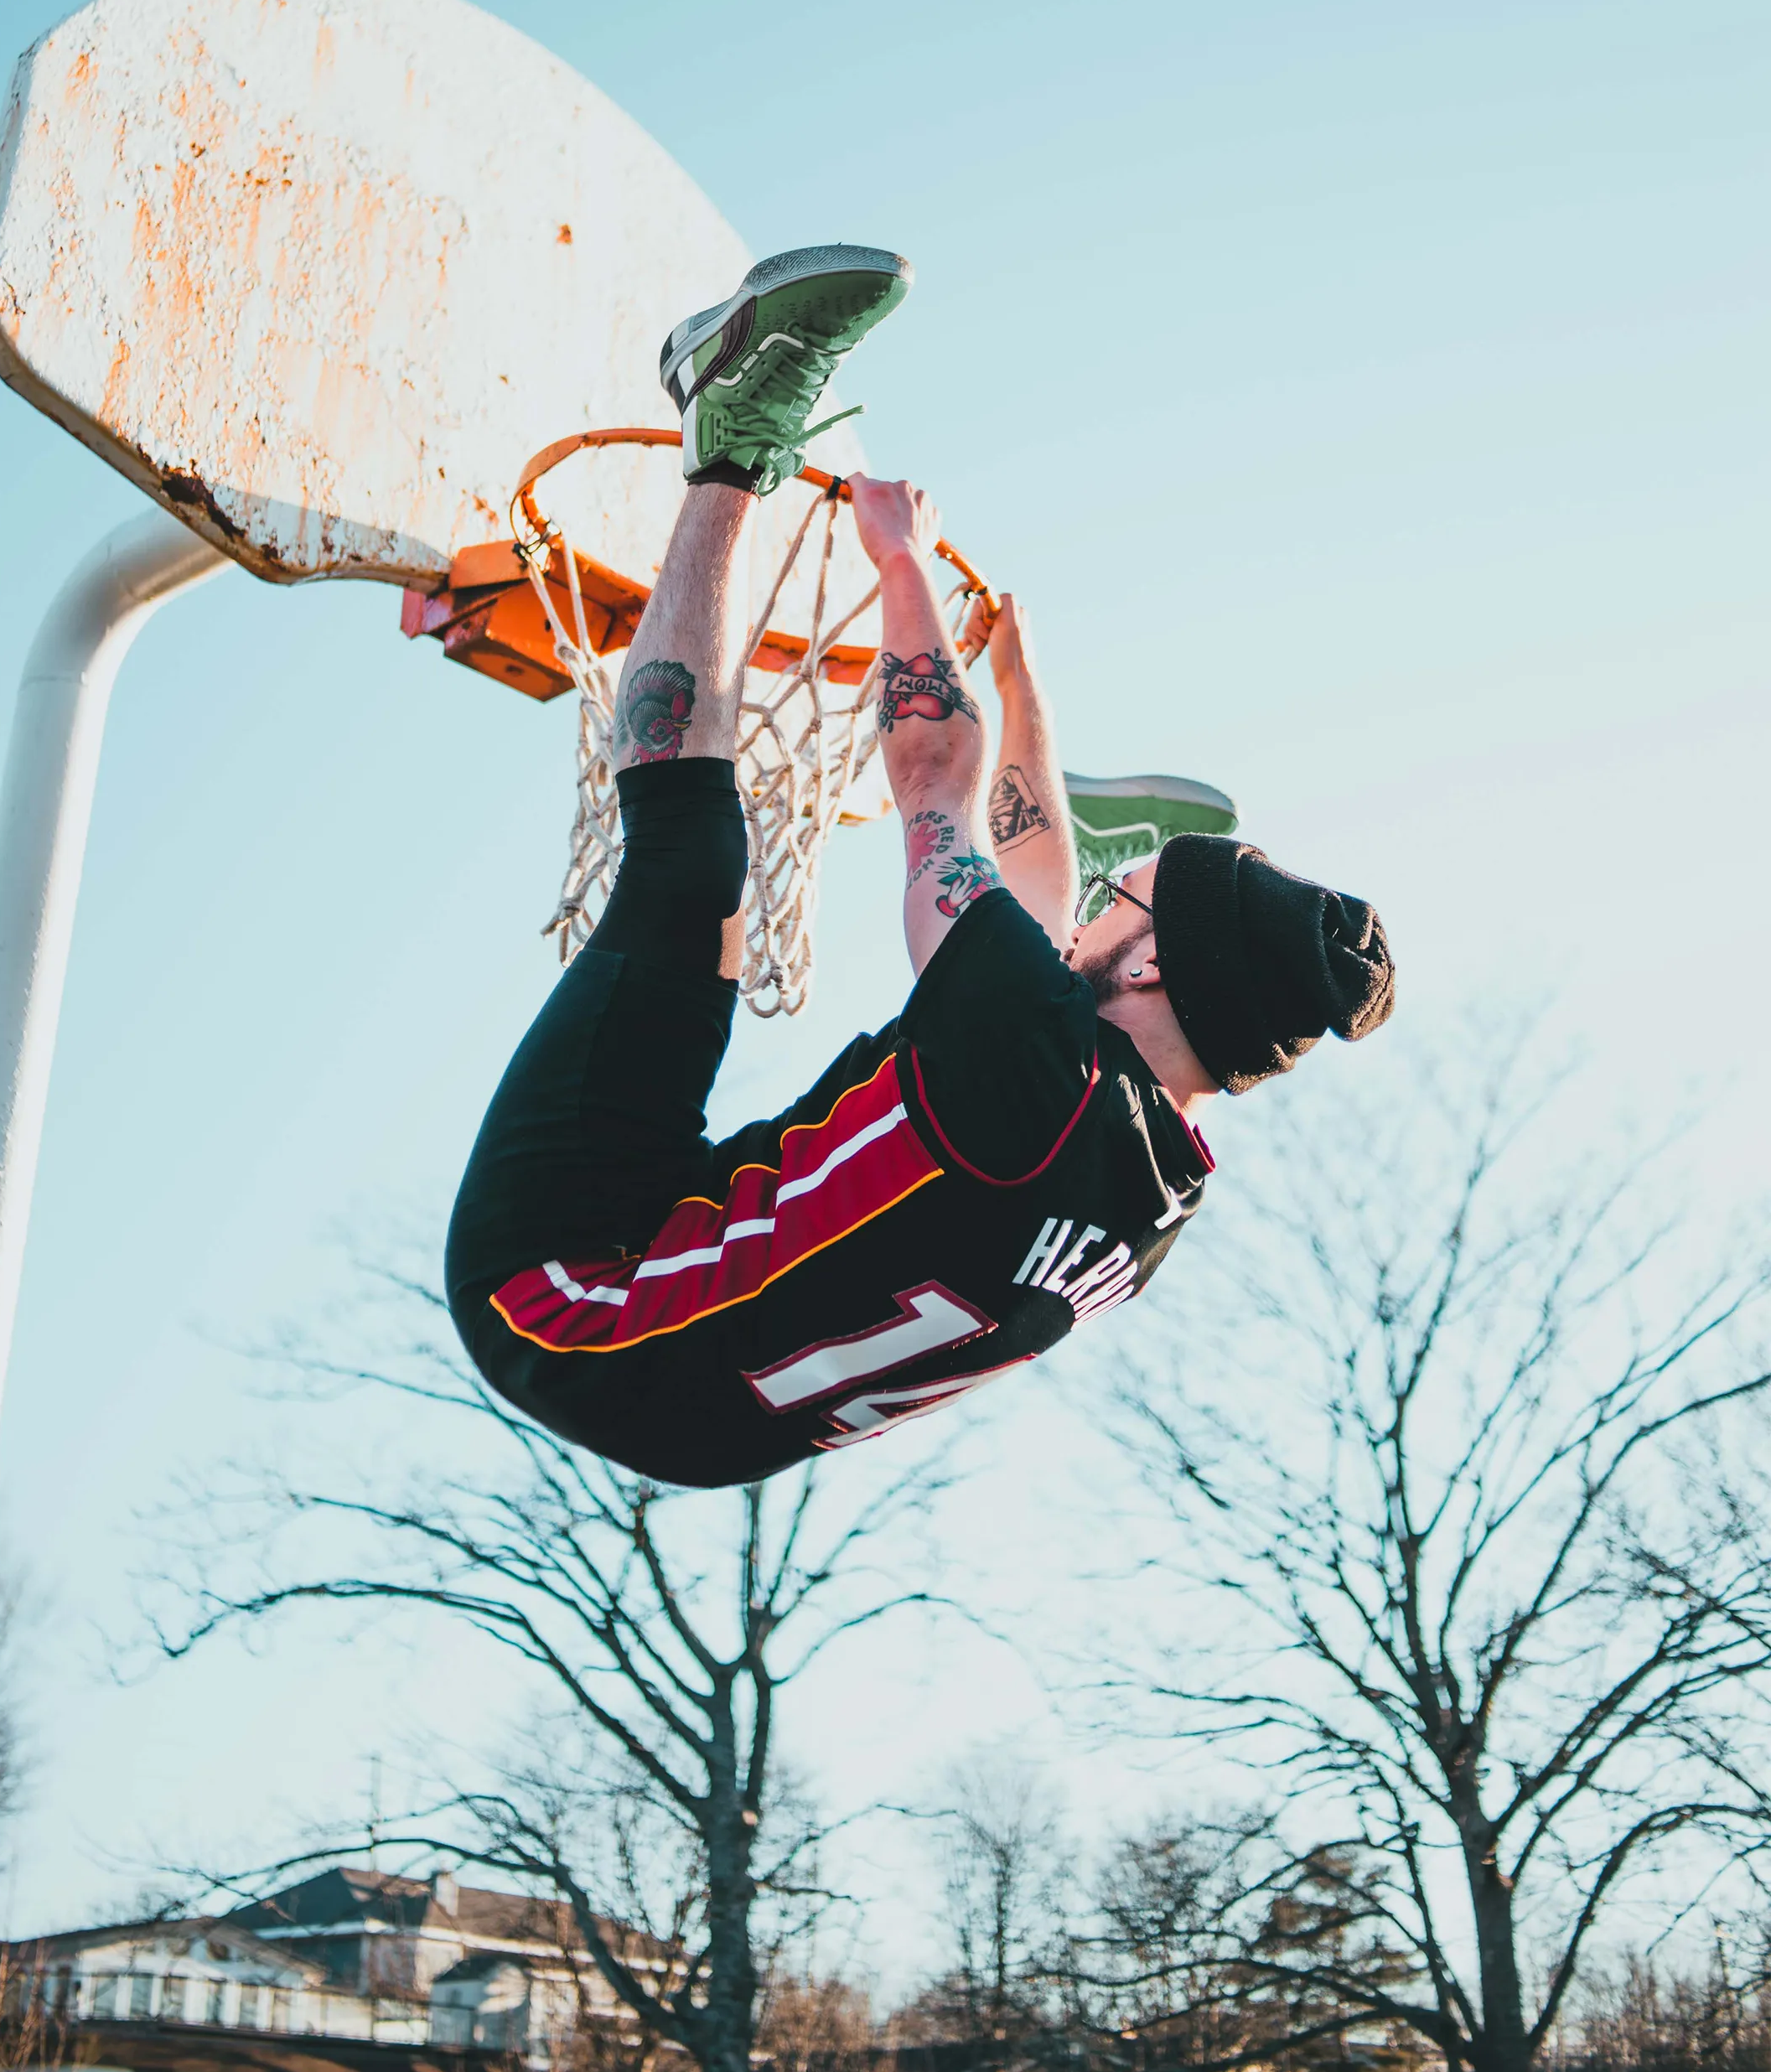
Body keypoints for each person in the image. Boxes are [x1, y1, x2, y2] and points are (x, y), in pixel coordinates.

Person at [445, 246, 1395, 1487]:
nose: (1093, 907)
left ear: (1155, 962)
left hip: (558, 1289)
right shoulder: (1150, 1195)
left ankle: (730, 431)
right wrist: (1022, 686)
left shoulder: (1035, 1058)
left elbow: (937, 784)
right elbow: (1035, 908)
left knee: (691, 861)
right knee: (837, 923)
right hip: (691, 1408)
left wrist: (900, 560)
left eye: (1126, 896)